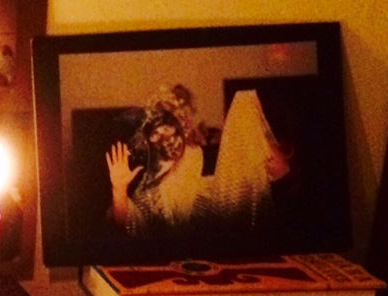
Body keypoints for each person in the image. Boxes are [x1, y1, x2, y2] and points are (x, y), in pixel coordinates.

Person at [105, 84, 289, 237]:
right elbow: (130, 227)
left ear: (183, 125)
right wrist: (119, 190)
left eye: (167, 128)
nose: (162, 139)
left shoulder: (215, 159)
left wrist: (252, 131)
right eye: (155, 133)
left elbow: (279, 176)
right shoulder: (151, 178)